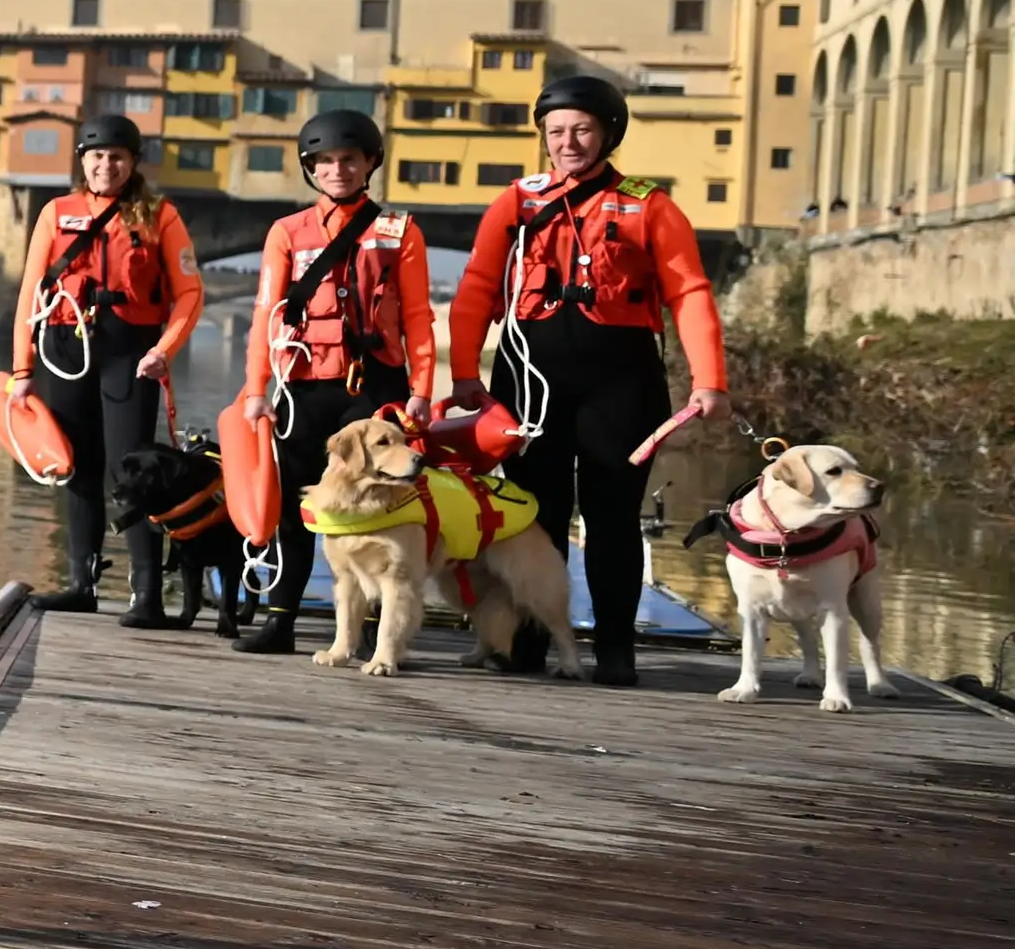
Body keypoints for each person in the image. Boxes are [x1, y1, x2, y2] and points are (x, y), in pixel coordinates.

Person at [446, 71, 725, 683]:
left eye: (581, 130)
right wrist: (465, 371)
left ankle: (616, 648)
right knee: (531, 514)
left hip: (621, 383)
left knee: (613, 516)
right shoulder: (516, 202)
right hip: (528, 379)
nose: (567, 142)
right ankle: (528, 642)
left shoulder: (651, 204)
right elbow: (476, 289)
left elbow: (691, 292)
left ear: (607, 134)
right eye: (556, 132)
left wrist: (709, 380)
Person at [224, 109, 433, 655]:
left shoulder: (400, 231)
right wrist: (255, 392)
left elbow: (417, 318)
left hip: (375, 385)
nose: (337, 169)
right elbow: (266, 314)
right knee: (301, 506)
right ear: (310, 168)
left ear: (369, 164)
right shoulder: (287, 233)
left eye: (348, 159)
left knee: (387, 504)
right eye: (325, 161)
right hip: (304, 387)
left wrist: (422, 391)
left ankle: (382, 632)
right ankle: (281, 619)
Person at [7, 113, 202, 621]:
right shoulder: (56, 212)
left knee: (131, 470)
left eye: (116, 156)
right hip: (65, 348)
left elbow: (189, 294)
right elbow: (31, 292)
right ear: (83, 161)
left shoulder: (160, 214)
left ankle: (147, 595)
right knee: (77, 467)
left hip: (130, 352)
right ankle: (81, 583)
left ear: (133, 162)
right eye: (96, 156)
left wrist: (165, 349)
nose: (105, 165)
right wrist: (21, 370)